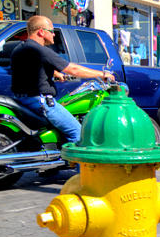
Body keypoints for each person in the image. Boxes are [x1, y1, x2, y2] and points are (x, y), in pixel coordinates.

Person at [11, 15, 115, 143]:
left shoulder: (20, 48)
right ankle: (76, 162)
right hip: (41, 101)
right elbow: (73, 69)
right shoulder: (40, 50)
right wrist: (102, 74)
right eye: (52, 31)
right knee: (78, 134)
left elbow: (29, 68)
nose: (54, 35)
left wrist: (55, 73)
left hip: (23, 99)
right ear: (41, 32)